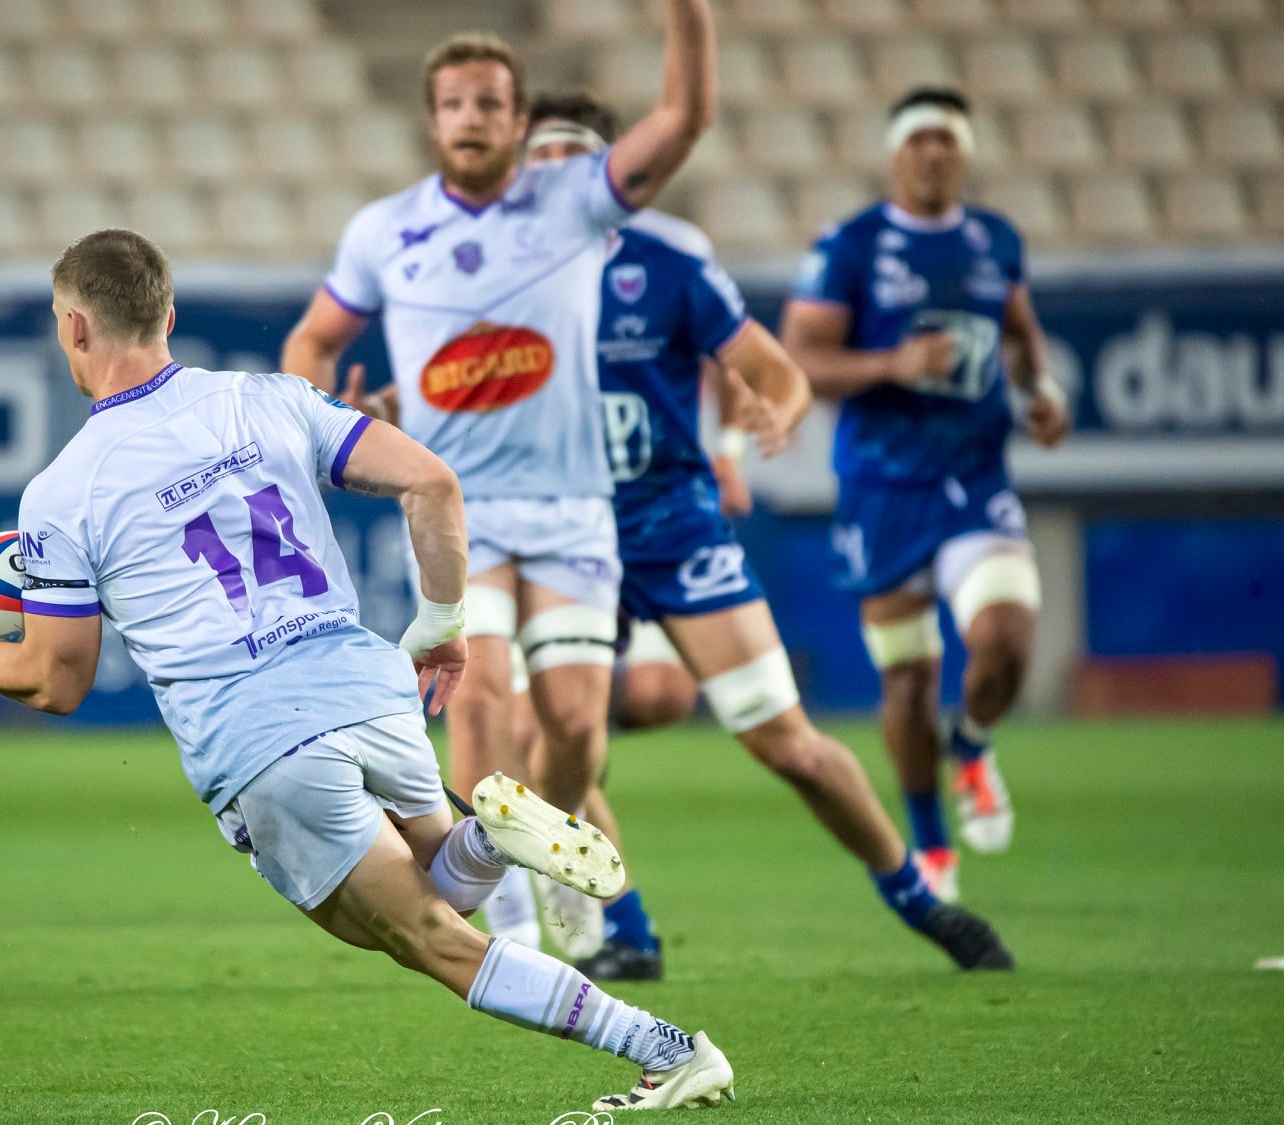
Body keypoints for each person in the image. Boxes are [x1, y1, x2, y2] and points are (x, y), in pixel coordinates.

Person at [0, 228, 736, 1112]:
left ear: (75, 328)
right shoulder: (272, 399)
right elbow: (431, 483)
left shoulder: (63, 489)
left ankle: (666, 1048)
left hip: (260, 739)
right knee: (441, 892)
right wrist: (441, 624)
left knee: (423, 938)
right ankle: (487, 839)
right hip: (367, 687)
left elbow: (57, 680)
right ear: (167, 313)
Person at [522, 91, 1014, 972]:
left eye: (571, 163)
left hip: (673, 525)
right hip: (561, 537)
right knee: (556, 734)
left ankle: (916, 898)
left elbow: (769, 367)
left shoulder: (665, 260)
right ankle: (626, 933)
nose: (553, 183)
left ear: (605, 176)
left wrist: (776, 412)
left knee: (784, 741)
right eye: (538, 165)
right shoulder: (483, 276)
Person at [280, 5, 719, 975]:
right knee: (478, 720)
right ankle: (513, 922)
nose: (470, 116)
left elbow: (684, 119)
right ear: (432, 120)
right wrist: (326, 421)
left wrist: (687, 15)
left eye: (489, 101)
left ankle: (543, 851)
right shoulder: (386, 230)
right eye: (452, 103)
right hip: (457, 515)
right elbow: (311, 340)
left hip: (572, 514)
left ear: (519, 121)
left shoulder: (570, 201)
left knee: (572, 729)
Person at [780, 87, 1070, 902]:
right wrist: (889, 366)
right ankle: (932, 844)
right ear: (894, 152)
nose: (933, 153)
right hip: (880, 488)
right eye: (919, 140)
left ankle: (971, 744)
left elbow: (1017, 327)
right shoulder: (853, 245)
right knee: (906, 680)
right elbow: (800, 357)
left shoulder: (994, 239)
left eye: (947, 139)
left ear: (964, 152)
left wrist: (1039, 386)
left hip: (974, 480)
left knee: (1007, 639)